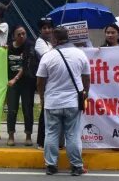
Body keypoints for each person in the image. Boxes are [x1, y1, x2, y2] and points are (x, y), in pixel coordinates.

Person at [36, 27, 89, 176]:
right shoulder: (80, 54)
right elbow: (86, 77)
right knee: (72, 134)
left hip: (52, 102)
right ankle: (76, 166)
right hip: (73, 102)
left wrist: (42, 97)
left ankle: (51, 166)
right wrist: (86, 93)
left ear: (55, 39)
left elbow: (40, 81)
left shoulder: (48, 57)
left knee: (51, 133)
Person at [6, 26, 36, 147]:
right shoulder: (8, 47)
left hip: (26, 82)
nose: (22, 36)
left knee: (27, 109)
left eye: (24, 34)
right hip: (12, 84)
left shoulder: (30, 45)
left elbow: (26, 65)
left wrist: (15, 78)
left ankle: (28, 135)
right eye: (19, 34)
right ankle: (11, 135)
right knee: (12, 109)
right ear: (14, 36)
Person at [33, 17, 55, 148]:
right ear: (40, 30)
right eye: (44, 28)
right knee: (45, 112)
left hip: (53, 81)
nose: (47, 30)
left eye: (49, 27)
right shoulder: (40, 43)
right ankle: (41, 141)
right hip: (45, 81)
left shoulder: (51, 43)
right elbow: (49, 57)